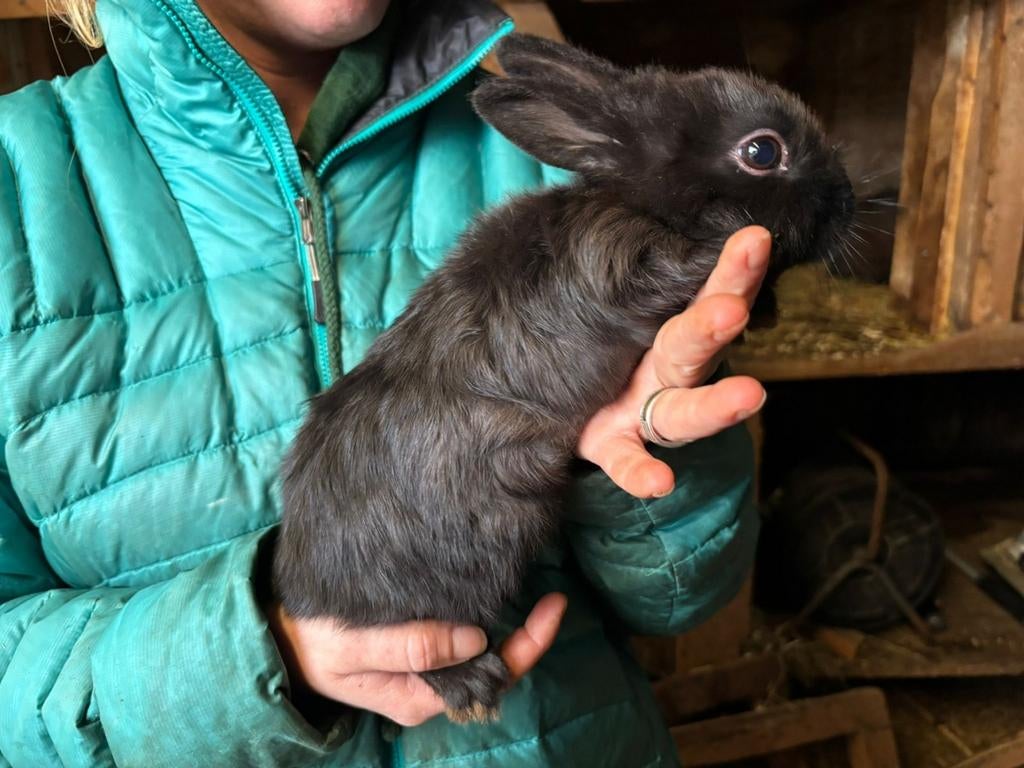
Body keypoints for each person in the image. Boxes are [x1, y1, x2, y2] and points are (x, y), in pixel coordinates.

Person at [0, 0, 771, 765]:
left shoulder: (573, 162)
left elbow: (678, 596)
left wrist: (625, 459)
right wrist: (250, 661)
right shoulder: (16, 186)